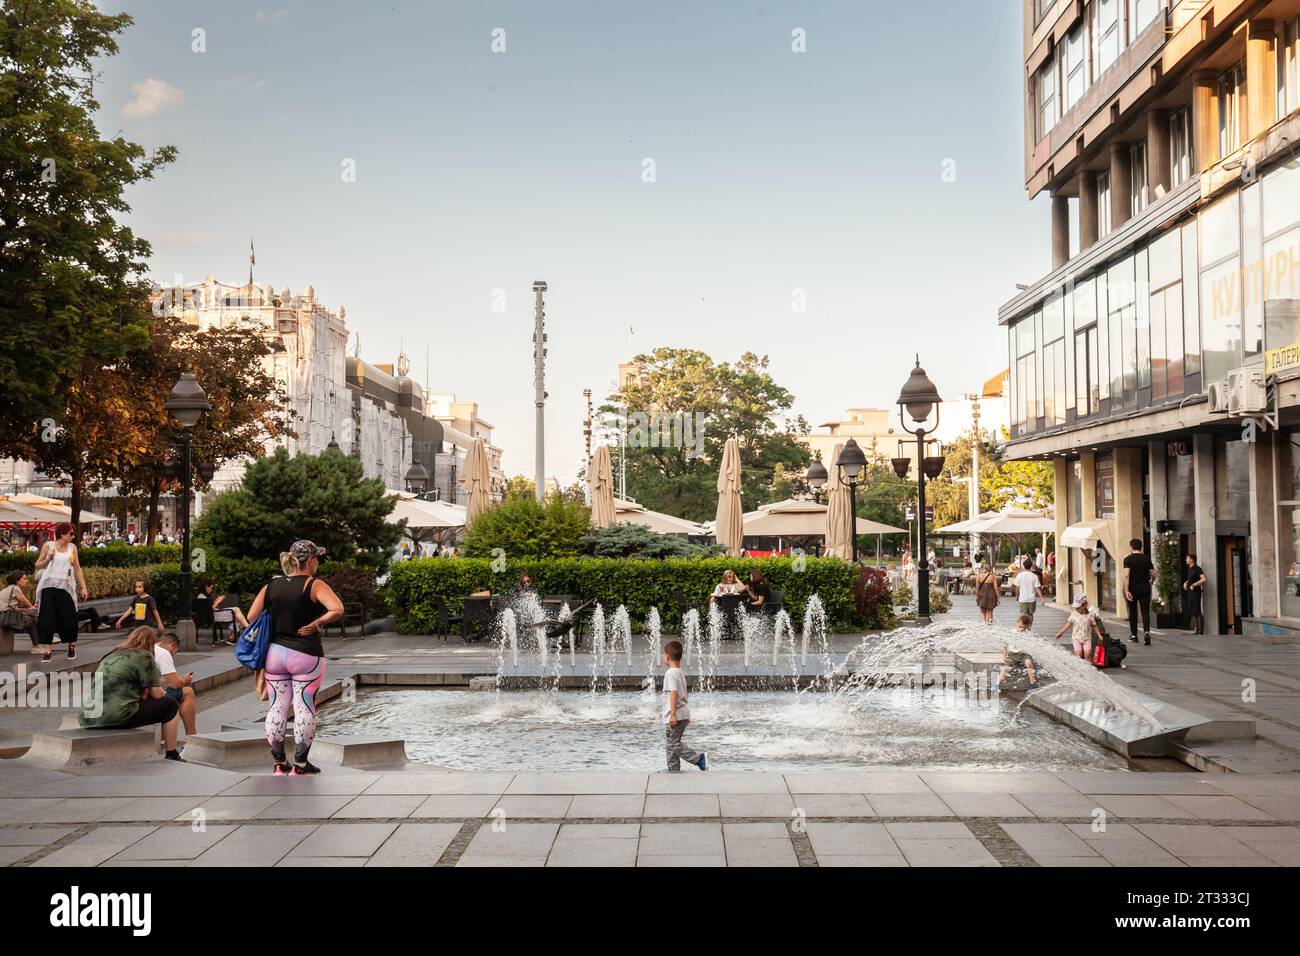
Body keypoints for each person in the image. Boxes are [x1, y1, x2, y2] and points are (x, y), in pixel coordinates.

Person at [245, 540, 344, 775]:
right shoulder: (314, 585)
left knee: (276, 706)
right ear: (309, 561)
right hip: (305, 654)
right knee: (304, 706)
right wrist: (317, 623)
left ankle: (279, 762)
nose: (318, 563)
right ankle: (300, 763)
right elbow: (337, 609)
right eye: (317, 558)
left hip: (275, 654)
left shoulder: (272, 585)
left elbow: (251, 616)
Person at [79, 626, 184, 761]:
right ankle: (172, 753)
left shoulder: (111, 655)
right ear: (151, 643)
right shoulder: (144, 656)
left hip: (87, 716)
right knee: (170, 705)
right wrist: (162, 691)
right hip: (116, 715)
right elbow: (157, 694)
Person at [33, 522, 87, 663]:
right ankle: (47, 651)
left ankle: (71, 646)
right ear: (62, 534)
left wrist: (83, 586)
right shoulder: (48, 546)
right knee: (47, 619)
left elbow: (77, 568)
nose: (73, 536)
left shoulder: (72, 548)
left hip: (66, 586)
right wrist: (48, 558)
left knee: (69, 617)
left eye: (73, 533)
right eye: (70, 533)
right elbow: (37, 565)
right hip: (49, 585)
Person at [661, 639, 706, 772]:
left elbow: (674, 693)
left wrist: (673, 714)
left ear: (667, 657)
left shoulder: (670, 673)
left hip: (676, 715)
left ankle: (698, 758)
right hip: (681, 713)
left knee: (673, 744)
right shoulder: (679, 672)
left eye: (663, 655)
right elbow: (683, 694)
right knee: (671, 745)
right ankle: (673, 769)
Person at [154, 629, 198, 740]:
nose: (174, 655)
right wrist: (185, 681)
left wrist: (180, 680)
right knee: (187, 692)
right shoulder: (163, 653)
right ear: (171, 646)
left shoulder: (153, 648)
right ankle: (192, 737)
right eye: (175, 652)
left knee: (172, 694)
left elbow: (161, 680)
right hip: (143, 699)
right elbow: (174, 684)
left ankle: (164, 737)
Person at [1122, 538, 1156, 645]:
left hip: (1132, 589)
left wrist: (1126, 590)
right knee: (1145, 611)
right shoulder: (1146, 558)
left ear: (1131, 547)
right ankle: (1146, 631)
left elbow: (1126, 575)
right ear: (1140, 547)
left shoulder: (1128, 559)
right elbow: (1154, 574)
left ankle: (1134, 635)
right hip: (1145, 588)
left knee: (1133, 612)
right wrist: (1151, 583)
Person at [993, 614, 1038, 692]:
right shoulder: (1011, 632)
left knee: (1029, 663)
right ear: (1017, 623)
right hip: (1013, 654)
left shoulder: (1028, 633)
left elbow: (1031, 645)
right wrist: (1004, 656)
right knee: (1006, 668)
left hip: (1024, 654)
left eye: (1023, 628)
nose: (1021, 629)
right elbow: (1005, 645)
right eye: (1020, 627)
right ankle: (996, 684)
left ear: (1027, 626)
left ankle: (1033, 683)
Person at [1055, 593, 1105, 660]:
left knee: (1087, 654)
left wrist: (1099, 634)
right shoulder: (1074, 614)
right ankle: (1079, 668)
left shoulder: (1090, 615)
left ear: (1085, 605)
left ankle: (1087, 668)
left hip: (1087, 638)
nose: (1077, 609)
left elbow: (1094, 625)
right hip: (1076, 638)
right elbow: (1068, 624)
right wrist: (1060, 633)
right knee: (1078, 654)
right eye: (1076, 607)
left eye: (1078, 607)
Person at [0, 570, 39, 649]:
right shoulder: (15, 588)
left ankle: (38, 645)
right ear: (17, 581)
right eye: (24, 579)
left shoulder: (8, 589)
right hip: (4, 618)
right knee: (32, 618)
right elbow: (27, 603)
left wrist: (26, 610)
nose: (27, 581)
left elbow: (15, 609)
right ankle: (42, 641)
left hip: (4, 617)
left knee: (30, 615)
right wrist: (32, 608)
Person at [1183, 553, 1207, 635]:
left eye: (1187, 558)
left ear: (1191, 560)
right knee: (1194, 611)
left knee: (1197, 610)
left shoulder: (1197, 568)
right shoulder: (1191, 569)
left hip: (1195, 593)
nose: (1186, 560)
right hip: (1191, 593)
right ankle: (1197, 630)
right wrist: (1186, 583)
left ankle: (1200, 631)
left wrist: (1194, 585)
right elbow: (1192, 579)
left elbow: (1203, 579)